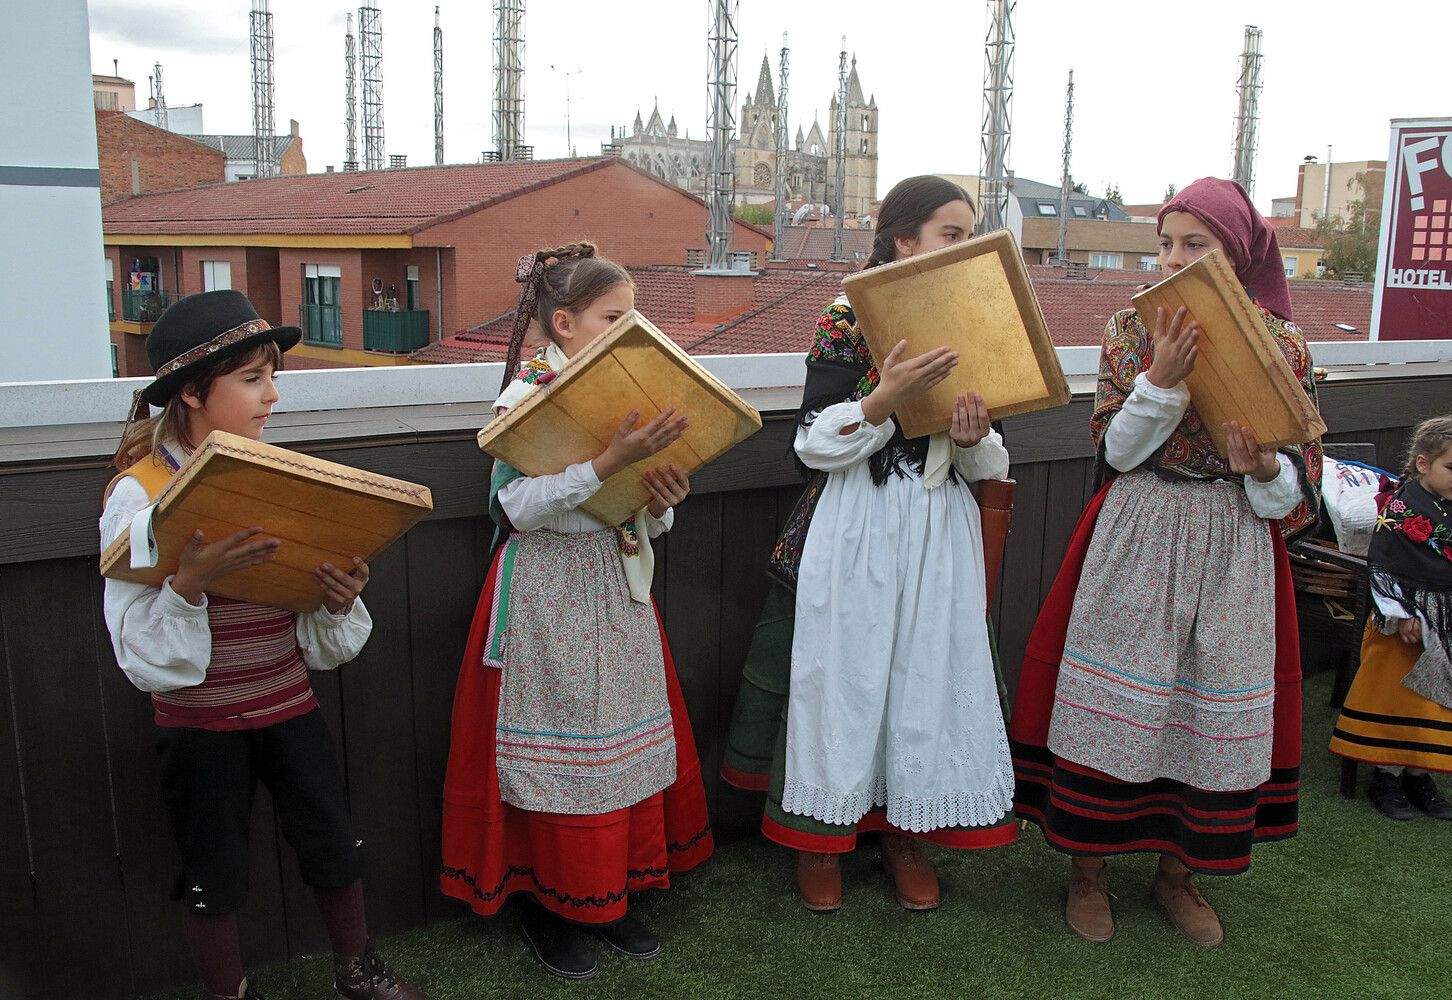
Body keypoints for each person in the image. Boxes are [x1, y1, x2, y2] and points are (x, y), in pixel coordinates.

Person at [1008, 177, 1323, 948]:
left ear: (1238, 254)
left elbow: (1302, 487)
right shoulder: (1130, 327)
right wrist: (1161, 382)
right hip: (1144, 527)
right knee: (1120, 703)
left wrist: (1261, 471)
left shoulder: (1279, 344)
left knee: (1205, 706)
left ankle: (1178, 875)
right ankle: (1088, 872)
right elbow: (1115, 449)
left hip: (1233, 541)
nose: (1174, 259)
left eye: (1196, 244)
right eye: (1166, 242)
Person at [100, 290, 426, 1000]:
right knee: (212, 870)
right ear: (191, 391)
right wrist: (188, 584)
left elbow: (311, 618)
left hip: (287, 700)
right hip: (200, 724)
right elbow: (136, 647)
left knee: (333, 843)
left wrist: (336, 595)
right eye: (252, 378)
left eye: (272, 376)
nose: (272, 395)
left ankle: (357, 971)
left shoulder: (273, 474)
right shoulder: (139, 495)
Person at [721, 175, 1018, 915]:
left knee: (922, 678)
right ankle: (818, 840)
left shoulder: (972, 317)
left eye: (970, 233)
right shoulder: (849, 315)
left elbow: (995, 461)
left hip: (935, 527)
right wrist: (882, 400)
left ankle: (903, 836)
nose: (966, 245)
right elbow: (811, 447)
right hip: (858, 524)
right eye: (953, 233)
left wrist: (975, 439)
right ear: (904, 239)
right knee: (844, 681)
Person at [440, 244, 713, 982]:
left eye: (633, 317)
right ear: (562, 322)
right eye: (613, 317)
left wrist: (658, 501)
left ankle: (609, 893)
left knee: (614, 745)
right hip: (547, 592)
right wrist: (603, 464)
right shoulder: (524, 398)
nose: (630, 331)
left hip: (613, 580)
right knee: (555, 753)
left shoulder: (628, 394)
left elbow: (633, 512)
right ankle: (545, 901)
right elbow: (514, 506)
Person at [1330, 415, 1452, 819]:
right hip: (1405, 619)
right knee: (1399, 694)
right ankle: (1385, 775)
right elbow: (1382, 566)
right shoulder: (1399, 510)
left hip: (1449, 618)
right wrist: (1401, 613)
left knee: (1438, 696)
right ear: (1423, 463)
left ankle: (1419, 774)